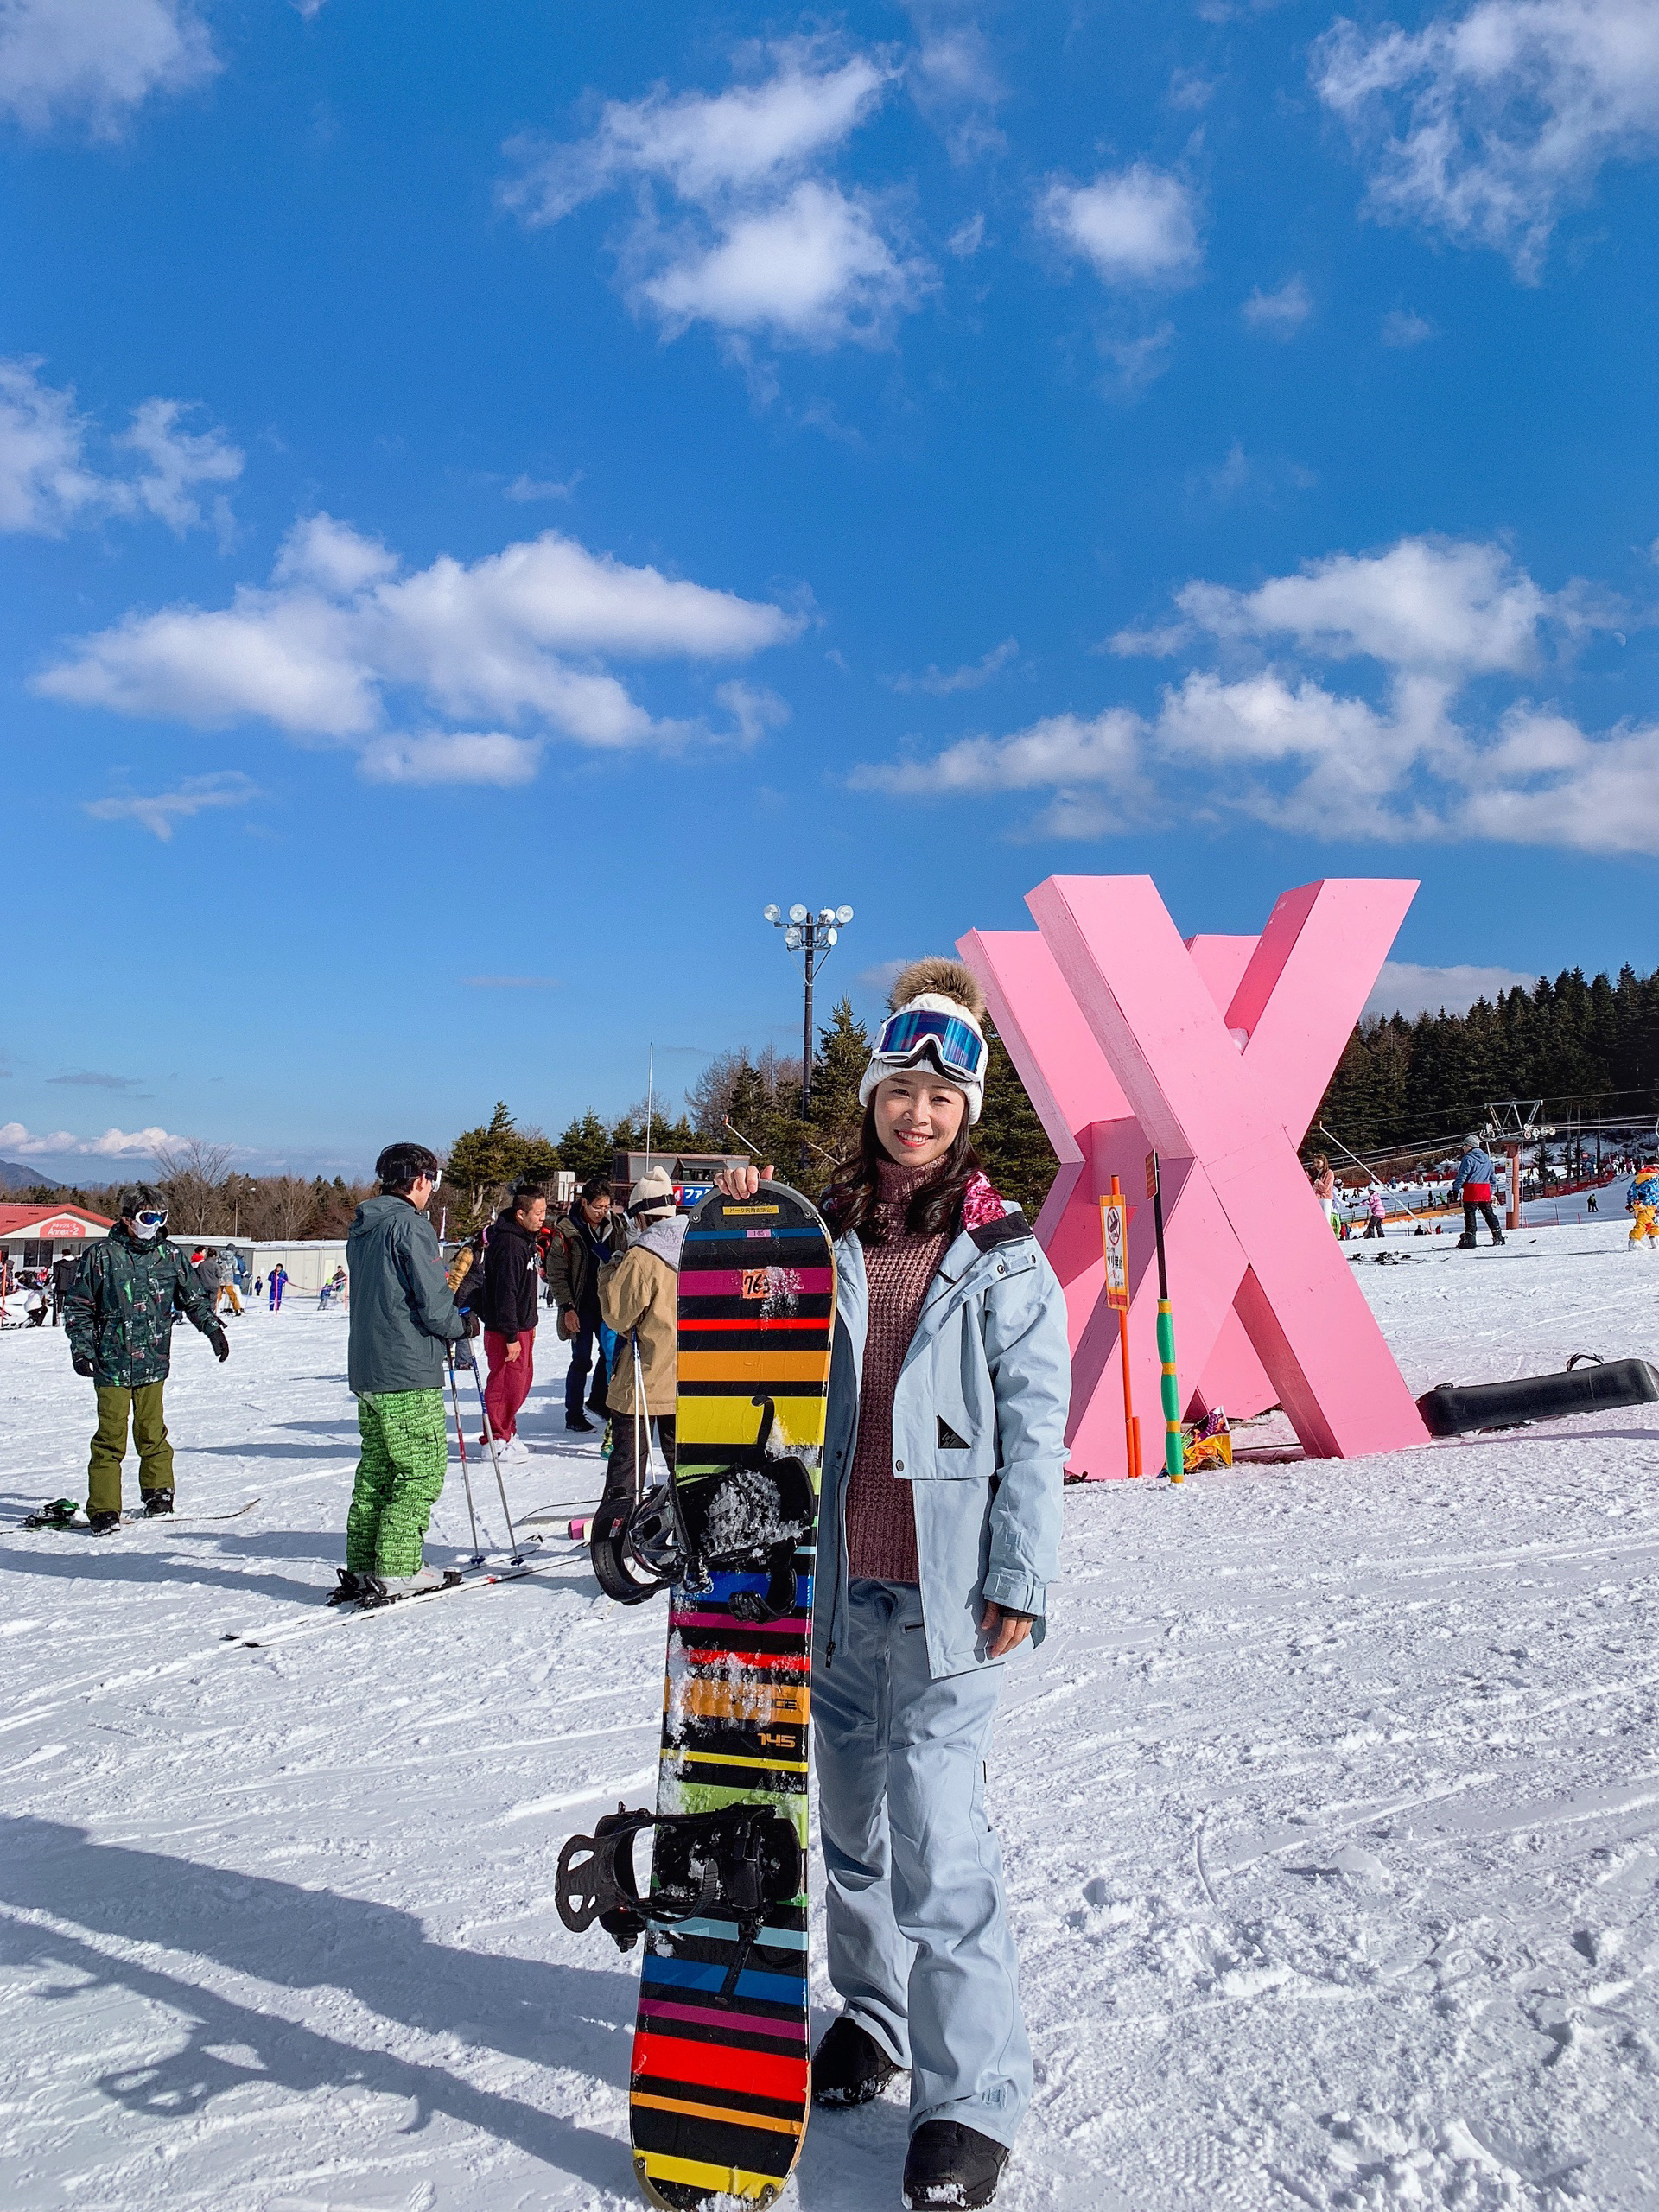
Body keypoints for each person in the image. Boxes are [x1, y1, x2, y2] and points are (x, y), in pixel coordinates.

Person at [718, 957, 1069, 2212]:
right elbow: (745, 1334)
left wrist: (1020, 1566)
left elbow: (1036, 1428)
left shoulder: (1003, 1254)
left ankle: (971, 2097)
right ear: (871, 1097)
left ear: (967, 1113)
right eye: (900, 1090)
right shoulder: (824, 1235)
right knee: (854, 1835)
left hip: (944, 1594)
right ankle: (871, 2018)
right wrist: (743, 1221)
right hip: (834, 1589)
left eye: (941, 1095)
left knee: (938, 1840)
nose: (917, 1113)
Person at [339, 1142, 477, 1603]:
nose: (432, 1191)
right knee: (419, 1470)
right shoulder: (409, 1226)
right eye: (432, 1182)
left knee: (378, 1469)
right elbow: (434, 1304)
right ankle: (398, 1568)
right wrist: (462, 1325)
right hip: (406, 1367)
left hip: (370, 1367)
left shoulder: (364, 1226)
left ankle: (364, 1563)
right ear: (421, 1181)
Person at [63, 1184, 230, 1531]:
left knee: (152, 1431)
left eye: (161, 1217)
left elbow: (193, 1298)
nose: (155, 1223)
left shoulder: (169, 1256)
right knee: (110, 1437)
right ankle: (105, 1507)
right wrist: (81, 1349)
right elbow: (78, 1306)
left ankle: (158, 1492)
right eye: (147, 1217)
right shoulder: (102, 1256)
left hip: (153, 1360)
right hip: (111, 1363)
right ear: (128, 1218)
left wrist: (213, 1329)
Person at [590, 1168, 685, 1545]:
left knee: (627, 1471)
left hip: (644, 1380)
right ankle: (692, 1534)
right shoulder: (698, 1244)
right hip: (691, 1379)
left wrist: (609, 1271)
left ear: (640, 1216)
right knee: (687, 1469)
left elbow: (618, 1314)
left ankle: (614, 1541)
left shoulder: (645, 1253)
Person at [547, 1173, 626, 1431]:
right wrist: (567, 1307)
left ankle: (597, 1401)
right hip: (580, 1305)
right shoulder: (567, 1230)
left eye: (606, 1207)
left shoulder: (614, 1226)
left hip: (606, 1304)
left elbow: (624, 1257)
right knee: (581, 1359)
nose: (602, 1212)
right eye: (597, 1207)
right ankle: (573, 1414)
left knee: (610, 1354)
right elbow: (556, 1274)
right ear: (584, 1203)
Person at [479, 1180, 547, 1459]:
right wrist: (510, 1335)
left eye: (544, 1211)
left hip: (522, 1326)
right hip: (506, 1330)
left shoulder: (525, 1241)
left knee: (519, 1385)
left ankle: (508, 1430)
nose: (543, 1217)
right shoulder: (509, 1244)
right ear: (521, 1214)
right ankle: (494, 1439)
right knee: (505, 1384)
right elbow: (505, 1292)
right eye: (538, 1212)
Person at [1452, 1135, 1506, 1249]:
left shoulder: (1468, 1159)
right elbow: (1493, 1178)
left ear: (1470, 1146)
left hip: (1472, 1190)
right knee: (1488, 1213)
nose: (1463, 1148)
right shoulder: (1488, 1159)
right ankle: (1498, 1236)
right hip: (1485, 1189)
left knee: (1470, 1214)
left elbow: (1462, 1175)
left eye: (1464, 1146)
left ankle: (1470, 1239)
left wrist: (1456, 1189)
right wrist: (1490, 1188)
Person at [1629, 1163, 1659, 1250]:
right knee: (1644, 1223)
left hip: (1640, 1204)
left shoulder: (1638, 1180)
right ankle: (1634, 1241)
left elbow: (1631, 1191)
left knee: (1651, 1223)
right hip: (1649, 1204)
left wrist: (1632, 1202)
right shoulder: (1655, 1179)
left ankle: (1654, 1239)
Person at [1310, 1154, 1338, 1234]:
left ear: (1323, 1162)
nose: (1316, 1165)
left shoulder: (1329, 1173)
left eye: (1318, 1162)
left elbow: (1325, 1188)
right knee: (1317, 1221)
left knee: (1326, 1220)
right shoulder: (1316, 1173)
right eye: (1314, 1163)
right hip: (1317, 1198)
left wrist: (1317, 1181)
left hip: (1325, 1199)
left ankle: (1330, 1236)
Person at [50, 1251, 75, 1325]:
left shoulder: (58, 1264)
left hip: (60, 1285)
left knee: (59, 1301)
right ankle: (70, 1318)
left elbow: (56, 1276)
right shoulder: (76, 1264)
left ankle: (60, 1319)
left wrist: (54, 1284)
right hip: (72, 1286)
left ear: (63, 1254)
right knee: (71, 1301)